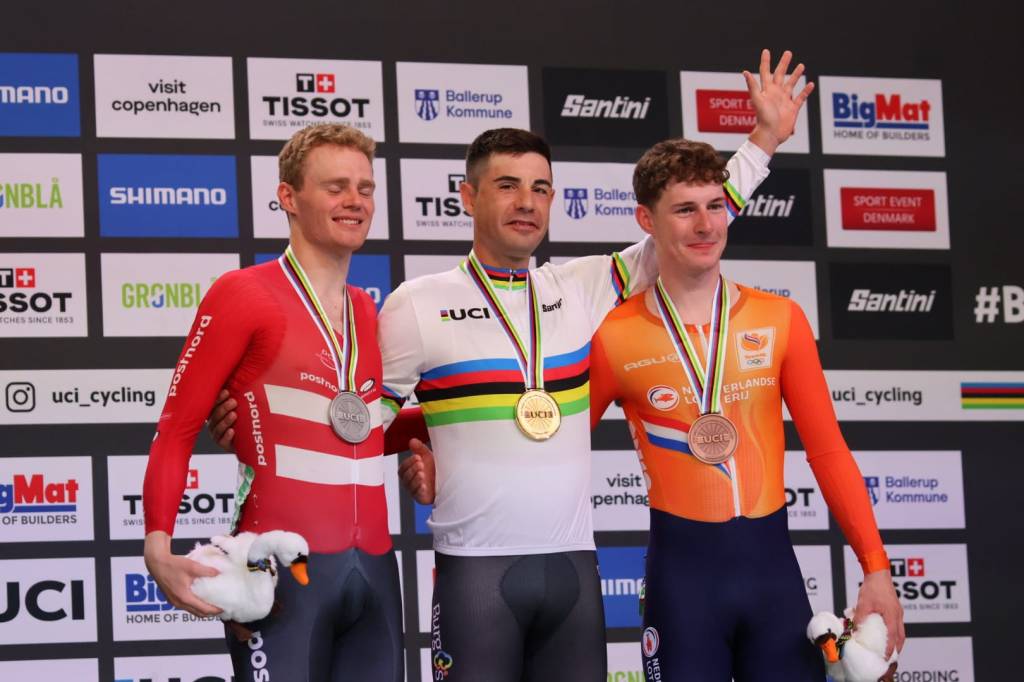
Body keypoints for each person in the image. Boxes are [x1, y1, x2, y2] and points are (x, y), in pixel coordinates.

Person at [212, 49, 810, 681]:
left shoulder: (583, 287)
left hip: (574, 571)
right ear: (467, 197)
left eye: (540, 188)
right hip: (476, 573)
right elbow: (357, 424)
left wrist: (765, 140)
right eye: (507, 186)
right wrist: (262, 424)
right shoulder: (417, 304)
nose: (526, 202)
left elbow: (693, 223)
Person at [582, 136, 905, 681]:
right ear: (646, 220)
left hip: (773, 581)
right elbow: (556, 453)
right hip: (681, 588)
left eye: (715, 205)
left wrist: (876, 569)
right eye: (685, 210)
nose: (706, 225)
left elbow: (828, 451)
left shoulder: (780, 319)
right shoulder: (613, 335)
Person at [143, 123, 420, 682]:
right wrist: (157, 547)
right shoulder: (243, 294)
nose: (355, 201)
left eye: (365, 188)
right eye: (336, 187)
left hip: (375, 572)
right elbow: (175, 429)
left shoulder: (369, 312)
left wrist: (445, 427)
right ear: (288, 197)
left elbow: (357, 434)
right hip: (276, 567)